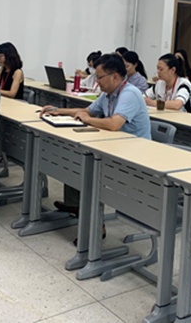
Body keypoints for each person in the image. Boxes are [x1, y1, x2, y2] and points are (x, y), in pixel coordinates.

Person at [42, 53, 151, 219]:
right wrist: (58, 111)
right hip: (116, 145)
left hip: (134, 153)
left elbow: (114, 124)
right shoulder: (108, 93)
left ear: (115, 76)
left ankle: (96, 223)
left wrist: (88, 120)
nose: (97, 82)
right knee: (75, 155)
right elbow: (87, 111)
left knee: (88, 165)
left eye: (100, 77)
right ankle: (76, 205)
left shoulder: (129, 93)